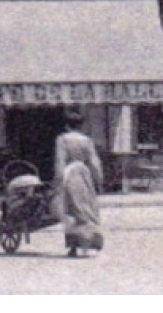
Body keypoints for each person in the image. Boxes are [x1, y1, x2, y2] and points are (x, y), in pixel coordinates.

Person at [53, 109, 104, 257]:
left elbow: (60, 161)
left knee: (71, 209)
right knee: (87, 207)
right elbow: (94, 162)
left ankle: (74, 246)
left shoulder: (62, 140)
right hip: (84, 174)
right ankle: (90, 242)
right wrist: (98, 179)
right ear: (81, 125)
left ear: (67, 125)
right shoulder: (86, 140)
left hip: (70, 174)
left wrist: (58, 180)